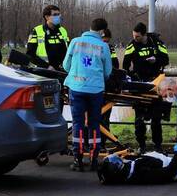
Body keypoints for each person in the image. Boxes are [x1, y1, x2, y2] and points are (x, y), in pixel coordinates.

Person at [63, 17, 113, 171]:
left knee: (77, 123)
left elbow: (66, 65)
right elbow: (108, 71)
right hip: (95, 90)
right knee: (94, 124)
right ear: (102, 31)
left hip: (76, 87)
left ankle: (78, 160)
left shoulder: (75, 42)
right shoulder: (103, 47)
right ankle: (93, 159)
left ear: (90, 28)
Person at [123, 22, 170, 153]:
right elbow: (125, 64)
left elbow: (166, 59)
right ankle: (142, 145)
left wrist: (156, 60)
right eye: (134, 36)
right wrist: (131, 76)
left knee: (156, 118)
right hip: (139, 85)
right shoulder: (132, 45)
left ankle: (158, 146)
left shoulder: (157, 43)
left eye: (137, 36)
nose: (135, 38)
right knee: (139, 119)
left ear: (144, 35)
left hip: (156, 84)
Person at [26, 4, 70, 70]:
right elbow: (30, 54)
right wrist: (47, 66)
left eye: (59, 14)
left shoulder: (63, 31)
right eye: (55, 15)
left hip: (61, 71)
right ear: (47, 17)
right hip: (43, 71)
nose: (58, 17)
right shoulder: (37, 31)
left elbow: (68, 50)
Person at [100, 27, 123, 134]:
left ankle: (102, 141)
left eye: (107, 41)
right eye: (105, 40)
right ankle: (101, 141)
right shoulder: (107, 47)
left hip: (104, 86)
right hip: (103, 85)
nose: (106, 43)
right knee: (102, 117)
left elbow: (116, 64)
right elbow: (115, 65)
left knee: (104, 116)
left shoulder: (108, 47)